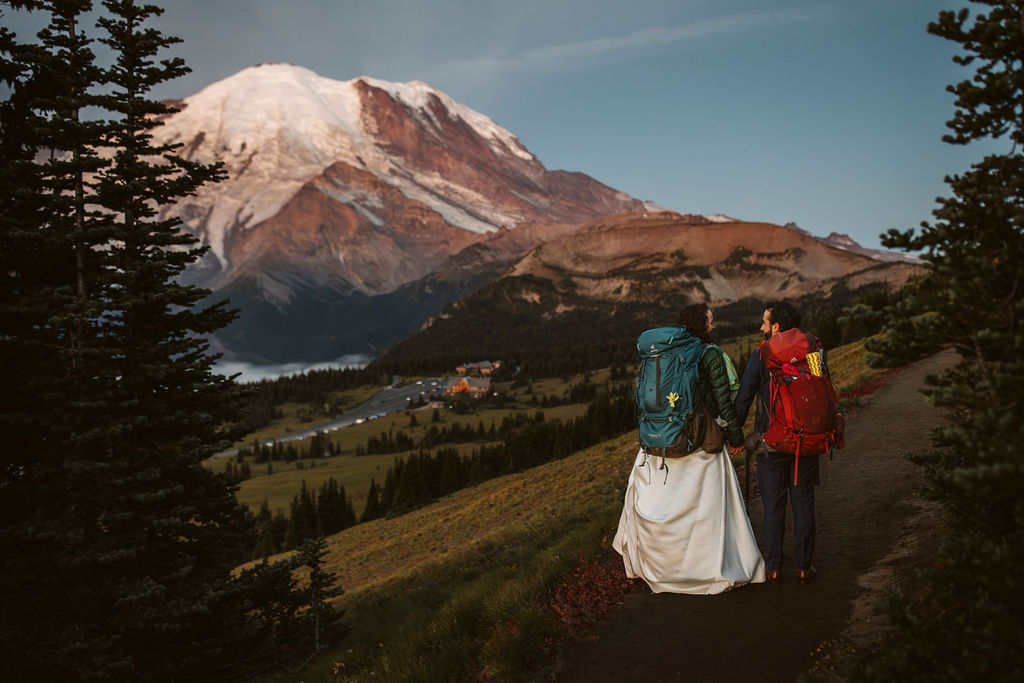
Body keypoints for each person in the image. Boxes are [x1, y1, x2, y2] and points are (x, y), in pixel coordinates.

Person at [613, 303, 766, 594]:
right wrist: (735, 437)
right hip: (698, 440)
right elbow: (723, 403)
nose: (713, 326)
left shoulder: (663, 353)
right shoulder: (708, 355)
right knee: (705, 510)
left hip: (661, 441)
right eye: (710, 322)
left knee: (665, 504)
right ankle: (705, 568)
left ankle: (657, 566)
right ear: (701, 324)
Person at [734, 301, 819, 585]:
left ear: (776, 326)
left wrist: (735, 437)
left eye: (764, 322)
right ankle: (805, 567)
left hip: (770, 443)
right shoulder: (813, 349)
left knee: (773, 504)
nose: (761, 327)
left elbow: (744, 398)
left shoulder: (761, 354)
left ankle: (773, 568)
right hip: (804, 441)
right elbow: (822, 390)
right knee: (803, 501)